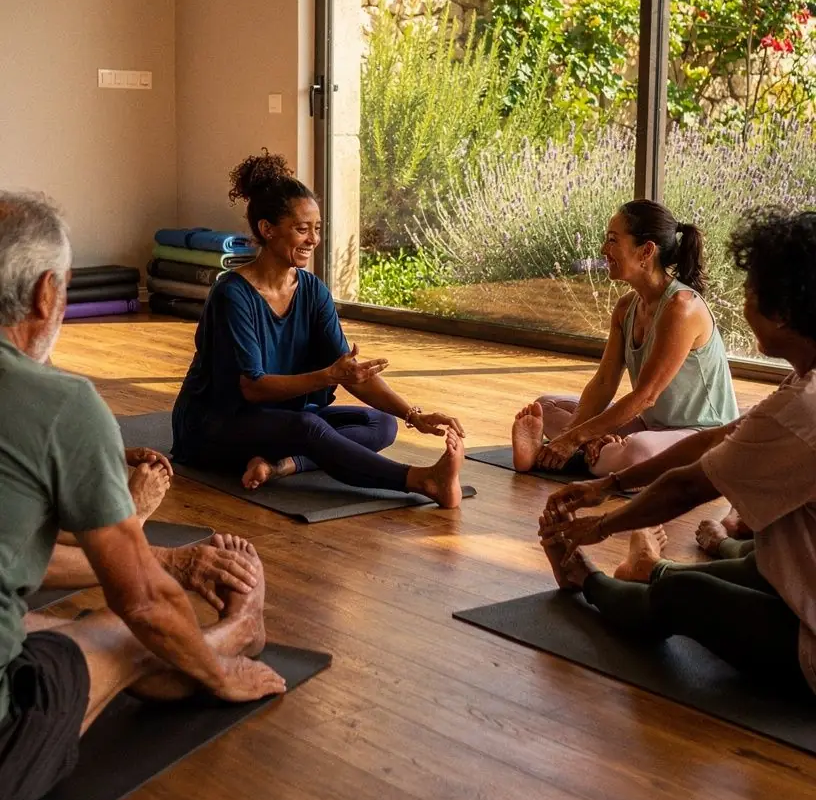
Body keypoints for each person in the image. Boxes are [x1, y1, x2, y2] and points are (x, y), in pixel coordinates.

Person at [0, 191, 286, 800]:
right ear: (48, 293)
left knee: (42, 628)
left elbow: (14, 559)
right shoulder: (62, 404)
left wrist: (175, 562)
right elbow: (143, 603)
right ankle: (237, 634)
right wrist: (218, 672)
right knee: (123, 633)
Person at [538, 207, 816, 701]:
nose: (745, 299)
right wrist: (607, 484)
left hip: (807, 643)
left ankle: (589, 577)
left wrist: (599, 525)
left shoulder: (801, 407)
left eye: (752, 289)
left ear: (784, 308)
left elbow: (689, 483)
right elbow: (720, 438)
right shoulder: (802, 384)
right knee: (758, 559)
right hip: (796, 579)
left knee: (682, 593)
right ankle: (653, 565)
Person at [172, 152, 466, 508]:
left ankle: (283, 465)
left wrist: (413, 415)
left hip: (279, 421)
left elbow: (350, 373)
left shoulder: (312, 290)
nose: (313, 239)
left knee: (382, 425)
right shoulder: (232, 294)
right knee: (308, 429)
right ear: (267, 229)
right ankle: (420, 480)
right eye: (301, 229)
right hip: (213, 427)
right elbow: (252, 388)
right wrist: (328, 376)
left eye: (317, 228)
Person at [512, 198, 739, 476]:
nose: (603, 250)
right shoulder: (626, 308)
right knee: (547, 406)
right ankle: (596, 450)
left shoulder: (682, 307)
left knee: (637, 452)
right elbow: (605, 382)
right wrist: (570, 435)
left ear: (646, 251)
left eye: (612, 240)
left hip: (703, 436)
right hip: (650, 425)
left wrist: (574, 439)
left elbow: (646, 396)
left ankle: (589, 451)